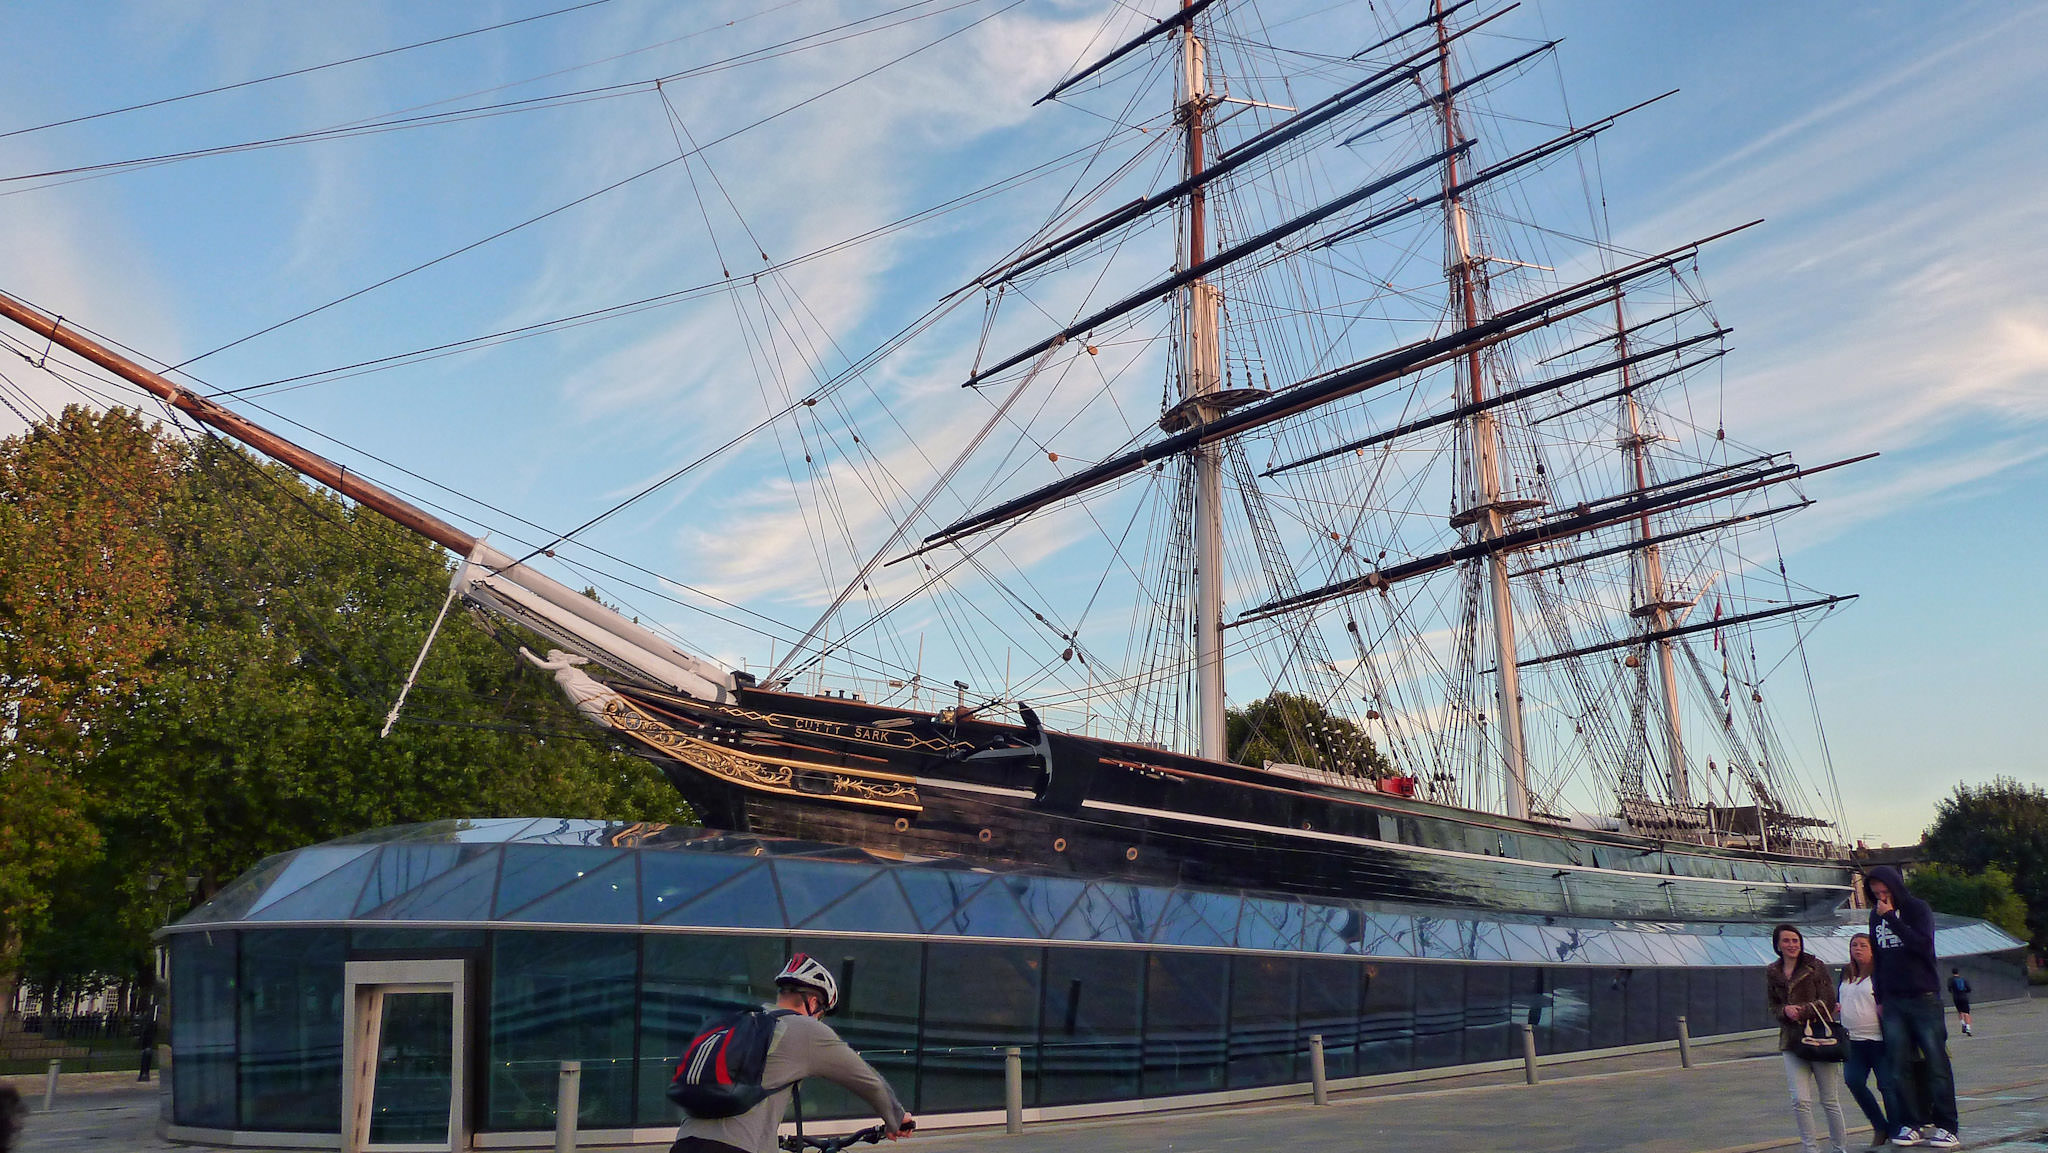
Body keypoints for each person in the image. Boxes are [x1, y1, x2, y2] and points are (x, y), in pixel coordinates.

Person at [671, 954, 912, 1153]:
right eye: (823, 1012)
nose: (820, 1019)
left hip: (684, 1143)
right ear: (814, 1002)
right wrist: (896, 1118)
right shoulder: (807, 1029)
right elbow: (866, 1080)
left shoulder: (745, 1021)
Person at [1866, 866, 1959, 1150]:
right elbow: (1878, 957)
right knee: (1898, 1065)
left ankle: (1946, 1126)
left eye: (1885, 890)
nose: (1881, 897)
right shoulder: (1874, 916)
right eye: (1876, 892)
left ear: (1896, 887)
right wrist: (1879, 997)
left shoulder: (1917, 909)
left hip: (1923, 996)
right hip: (1893, 1001)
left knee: (1935, 1062)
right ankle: (1911, 1123)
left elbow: (1922, 945)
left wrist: (1892, 918)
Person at [1768, 923, 1850, 1153]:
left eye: (1795, 940)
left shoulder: (1815, 966)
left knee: (1829, 1100)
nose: (1792, 945)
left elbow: (1828, 1000)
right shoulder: (1772, 971)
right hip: (1791, 1040)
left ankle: (1840, 1148)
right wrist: (1784, 1011)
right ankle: (1810, 1149)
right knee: (1800, 1101)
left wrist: (1801, 1011)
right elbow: (1772, 1005)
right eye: (1786, 941)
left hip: (1821, 1039)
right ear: (1778, 945)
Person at [1838, 933, 1891, 1149]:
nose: (1857, 949)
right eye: (1854, 945)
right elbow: (1837, 998)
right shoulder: (1846, 973)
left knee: (1887, 1086)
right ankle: (1880, 1126)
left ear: (1872, 949)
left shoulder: (1880, 973)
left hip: (1879, 1040)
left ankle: (1898, 1127)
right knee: (1853, 1081)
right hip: (1853, 1041)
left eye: (1862, 945)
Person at [1947, 969, 1972, 1036]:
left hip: (1956, 998)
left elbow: (1949, 989)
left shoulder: (1950, 980)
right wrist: (1964, 992)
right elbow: (1969, 989)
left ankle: (1963, 1024)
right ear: (1958, 972)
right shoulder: (1963, 979)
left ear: (1952, 972)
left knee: (1960, 1011)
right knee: (1967, 1013)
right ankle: (1968, 1028)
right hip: (1964, 997)